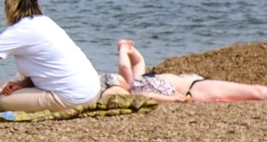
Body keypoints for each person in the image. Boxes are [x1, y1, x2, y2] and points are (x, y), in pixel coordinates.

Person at [100, 39, 267, 103]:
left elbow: (138, 61)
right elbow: (124, 67)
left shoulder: (138, 81)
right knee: (256, 91)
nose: (120, 77)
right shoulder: (132, 88)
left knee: (252, 93)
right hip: (194, 88)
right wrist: (122, 49)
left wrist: (129, 48)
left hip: (195, 84)